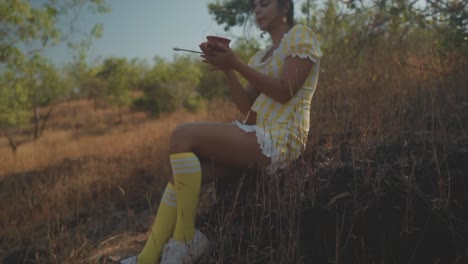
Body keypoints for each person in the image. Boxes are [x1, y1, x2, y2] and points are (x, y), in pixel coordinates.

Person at [120, 0, 322, 263]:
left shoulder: (300, 36)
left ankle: (184, 241)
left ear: (285, 7)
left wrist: (237, 64)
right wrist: (229, 70)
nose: (258, 10)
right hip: (256, 131)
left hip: (282, 136)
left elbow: (286, 91)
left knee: (182, 135)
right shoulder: (261, 56)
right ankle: (147, 257)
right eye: (255, 6)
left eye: (265, 4)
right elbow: (247, 107)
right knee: (181, 173)